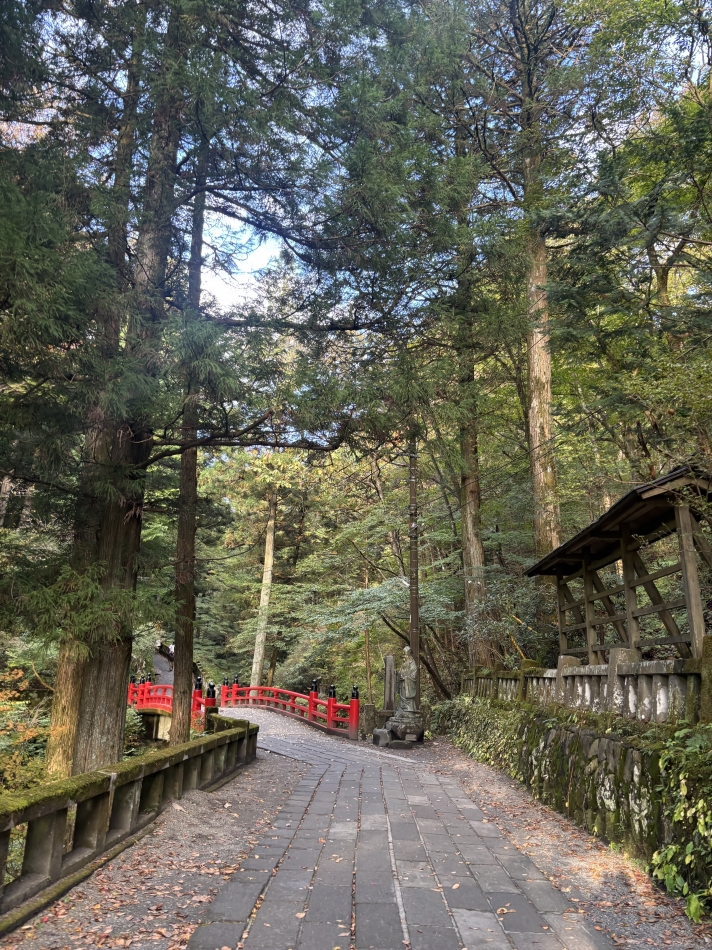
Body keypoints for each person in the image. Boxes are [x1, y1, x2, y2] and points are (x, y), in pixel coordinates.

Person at [396, 646, 418, 715]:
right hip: (402, 683)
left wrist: (406, 678)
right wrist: (397, 674)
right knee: (402, 696)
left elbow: (414, 674)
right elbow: (400, 672)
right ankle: (401, 710)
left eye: (405, 656)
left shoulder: (412, 663)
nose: (404, 658)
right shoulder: (403, 664)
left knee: (407, 696)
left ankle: (409, 710)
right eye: (403, 656)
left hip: (408, 683)